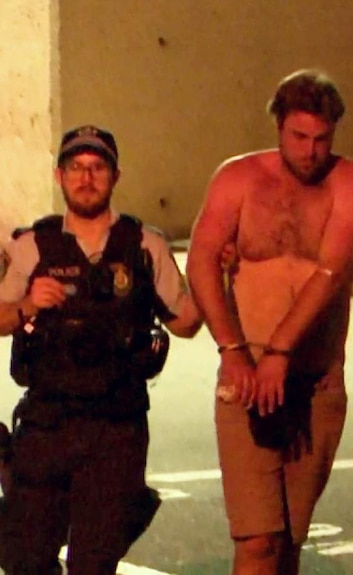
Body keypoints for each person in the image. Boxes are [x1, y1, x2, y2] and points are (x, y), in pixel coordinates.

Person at [186, 69, 353, 574]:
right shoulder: (238, 179)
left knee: (289, 540)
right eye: (299, 137)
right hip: (248, 376)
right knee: (257, 543)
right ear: (278, 128)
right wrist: (233, 351)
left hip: (314, 381)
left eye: (321, 139)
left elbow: (331, 274)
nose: (310, 151)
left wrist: (283, 352)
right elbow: (200, 259)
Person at [0, 125, 202, 575]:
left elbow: (186, 322)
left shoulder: (144, 245)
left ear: (115, 176)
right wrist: (31, 302)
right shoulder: (33, 245)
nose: (86, 177)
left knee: (94, 563)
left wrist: (214, 275)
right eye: (76, 167)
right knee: (24, 559)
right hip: (47, 423)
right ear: (59, 176)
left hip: (116, 426)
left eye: (97, 168)